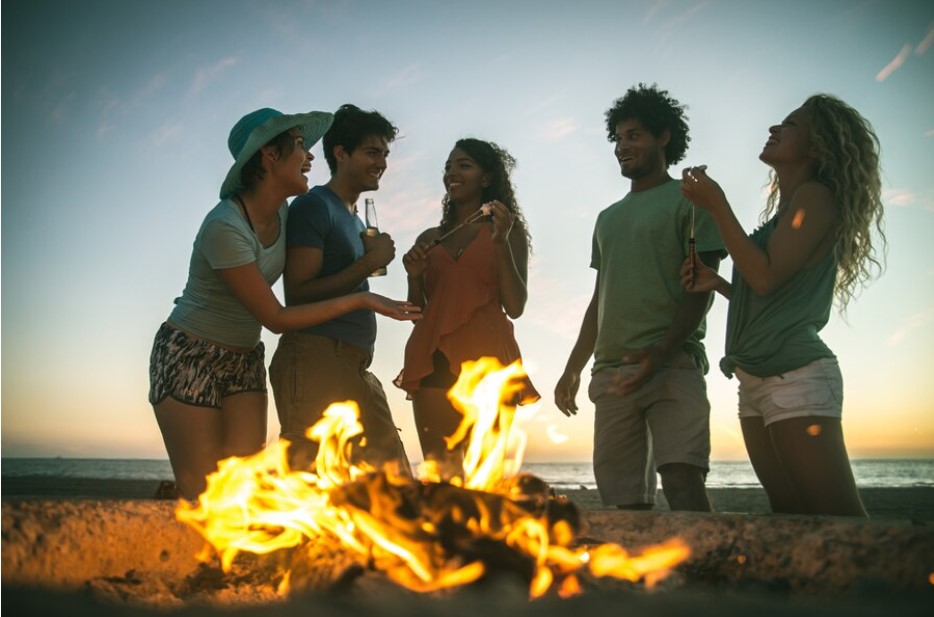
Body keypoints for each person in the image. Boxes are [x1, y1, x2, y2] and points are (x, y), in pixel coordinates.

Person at [149, 108, 421, 500]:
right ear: (269, 156)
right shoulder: (225, 226)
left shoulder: (284, 209)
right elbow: (278, 314)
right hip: (191, 352)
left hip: (246, 356)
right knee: (206, 495)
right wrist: (362, 288)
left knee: (244, 489)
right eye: (298, 146)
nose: (310, 156)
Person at [680, 94, 885, 517]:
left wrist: (717, 206)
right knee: (791, 514)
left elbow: (766, 275)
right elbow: (772, 295)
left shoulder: (816, 197)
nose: (774, 129)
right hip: (754, 380)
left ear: (816, 146)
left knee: (838, 519)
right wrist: (719, 283)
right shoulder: (788, 211)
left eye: (788, 124)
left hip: (796, 379)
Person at [554, 84, 725, 511]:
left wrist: (660, 352)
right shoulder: (606, 219)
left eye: (634, 136)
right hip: (612, 374)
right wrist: (573, 368)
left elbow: (700, 289)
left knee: (684, 484)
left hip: (674, 364)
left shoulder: (690, 201)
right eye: (618, 138)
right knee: (622, 506)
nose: (622, 147)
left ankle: (705, 573)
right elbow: (601, 300)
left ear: (663, 137)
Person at [269, 104, 413, 475]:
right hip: (315, 357)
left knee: (395, 480)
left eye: (384, 154)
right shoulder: (314, 206)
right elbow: (298, 293)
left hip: (355, 363)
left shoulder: (352, 217)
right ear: (341, 153)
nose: (381, 162)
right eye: (371, 152)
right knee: (311, 485)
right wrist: (368, 263)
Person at [395, 138, 540, 473]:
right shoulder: (428, 238)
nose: (452, 173)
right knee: (441, 476)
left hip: (491, 359)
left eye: (464, 165)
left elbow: (516, 306)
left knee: (485, 479)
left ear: (486, 178)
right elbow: (418, 313)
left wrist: (500, 243)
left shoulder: (508, 231)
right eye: (448, 166)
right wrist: (414, 277)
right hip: (432, 359)